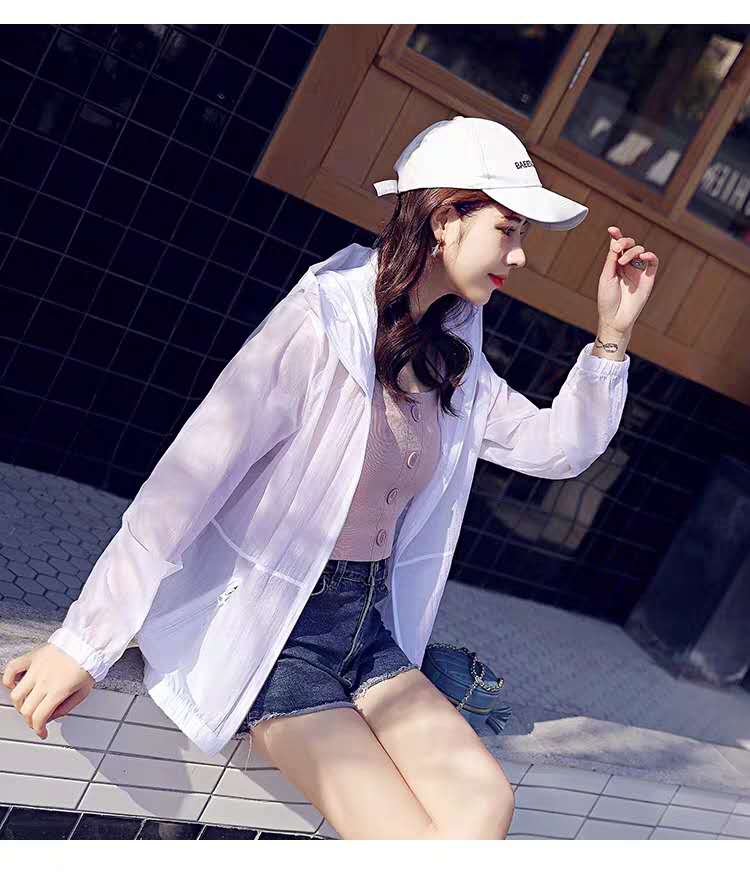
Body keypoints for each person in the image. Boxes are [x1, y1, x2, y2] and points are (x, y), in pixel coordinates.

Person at [2, 116, 658, 839]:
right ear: (445, 220)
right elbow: (185, 484)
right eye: (507, 230)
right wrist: (84, 642)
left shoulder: (450, 352)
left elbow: (553, 449)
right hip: (274, 630)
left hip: (364, 625)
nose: (521, 254)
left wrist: (613, 336)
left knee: (484, 808)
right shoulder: (320, 323)